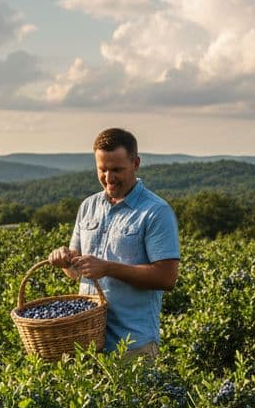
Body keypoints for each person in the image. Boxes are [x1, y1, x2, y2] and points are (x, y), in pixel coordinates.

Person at [47, 128, 180, 357]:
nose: (109, 178)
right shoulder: (88, 206)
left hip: (132, 345)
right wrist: (65, 260)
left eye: (117, 169)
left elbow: (166, 278)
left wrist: (108, 268)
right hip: (86, 342)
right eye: (102, 169)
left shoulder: (155, 212)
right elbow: (75, 272)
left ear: (136, 163)